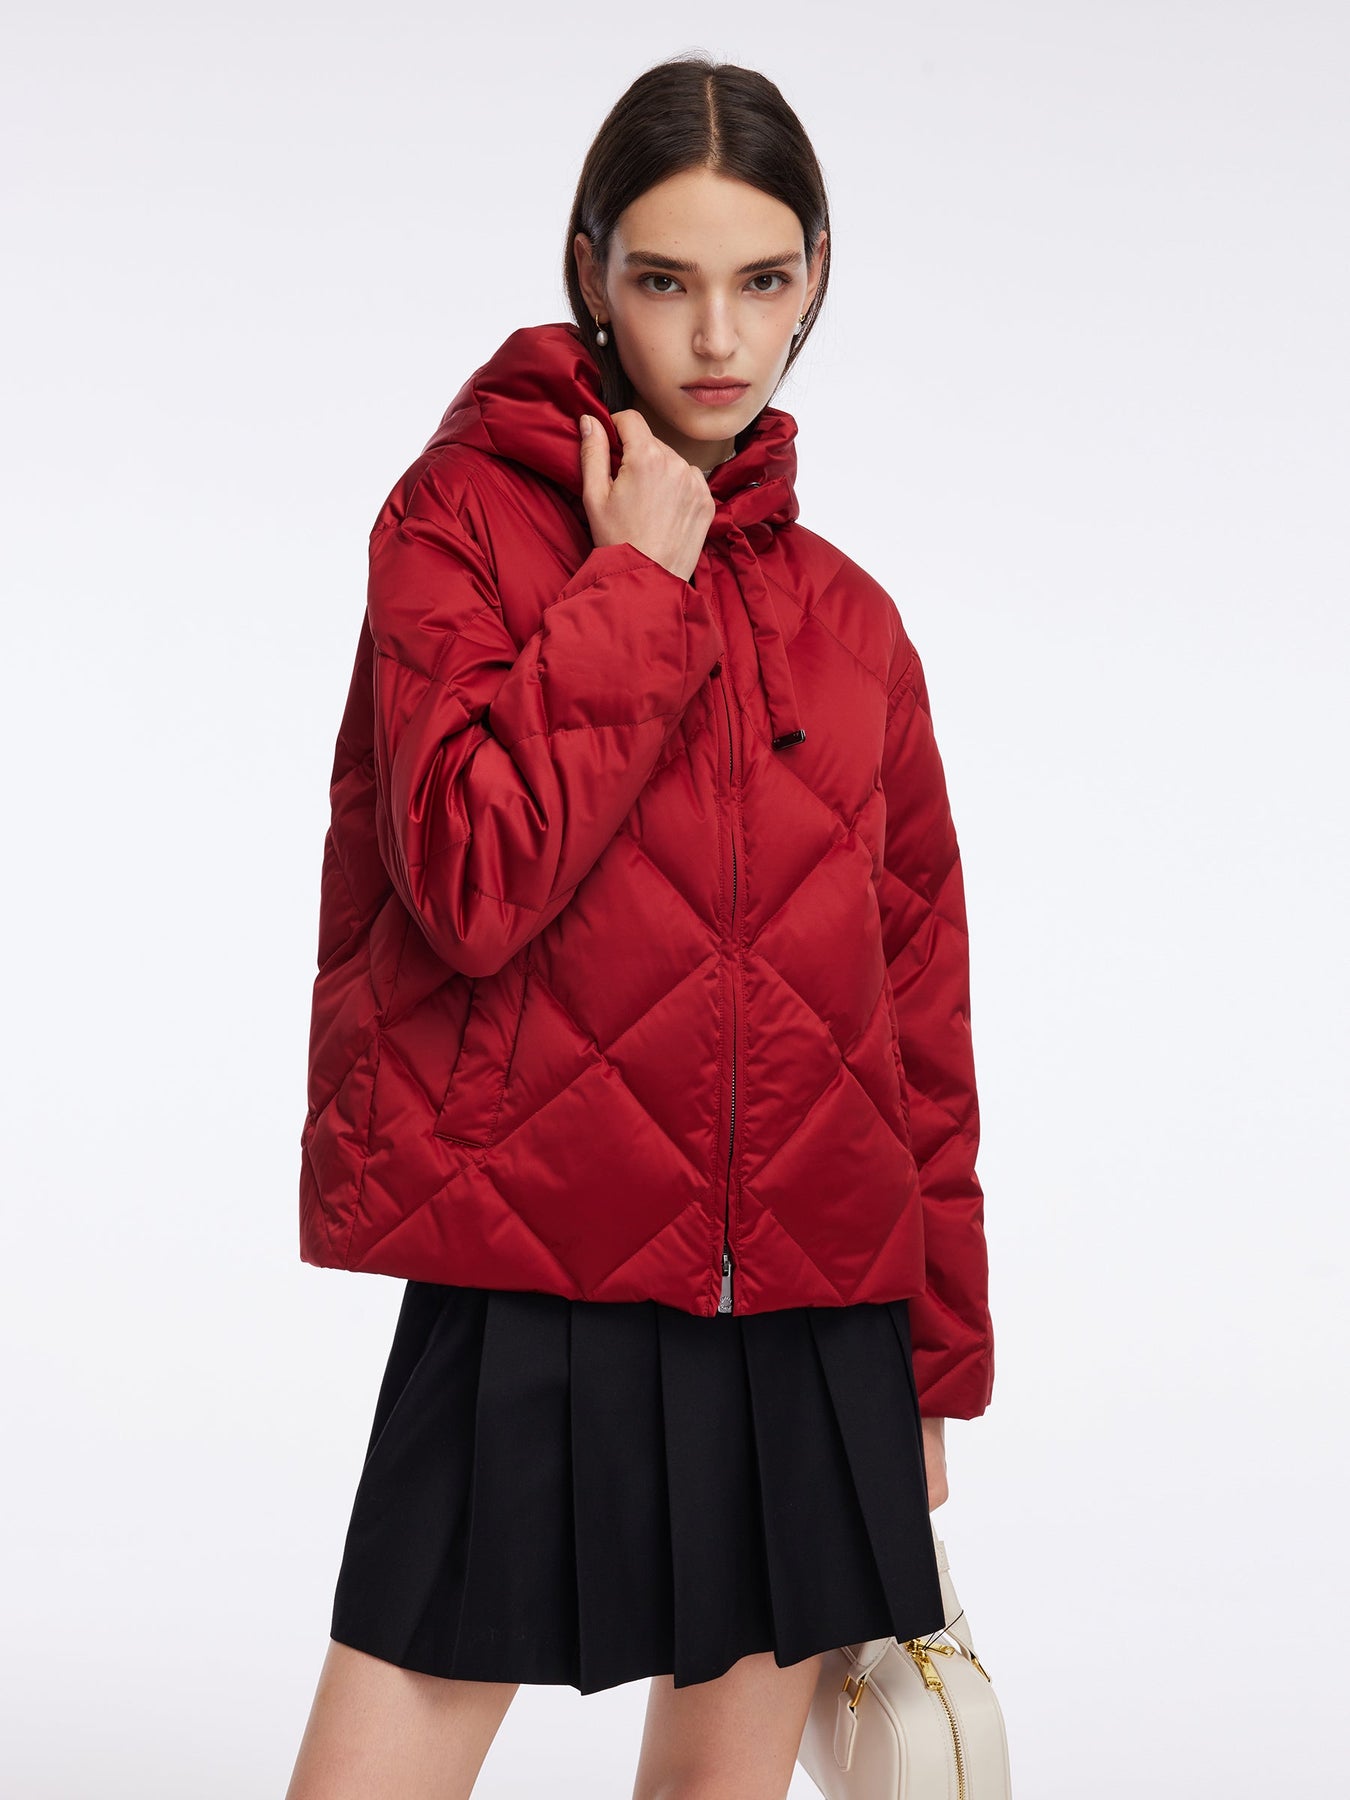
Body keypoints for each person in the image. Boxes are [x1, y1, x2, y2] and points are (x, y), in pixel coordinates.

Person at [285, 54, 995, 1800]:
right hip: (535, 1272)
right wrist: (631, 583)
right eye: (666, 279)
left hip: (812, 1307)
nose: (716, 338)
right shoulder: (456, 526)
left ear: (815, 278)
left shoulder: (851, 622)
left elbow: (914, 1018)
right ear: (588, 272)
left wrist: (932, 1364)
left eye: (762, 280)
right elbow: (467, 882)